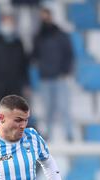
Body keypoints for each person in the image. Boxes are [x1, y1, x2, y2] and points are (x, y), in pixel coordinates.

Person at [32, 6, 74, 141]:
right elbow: (34, 55)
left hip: (59, 77)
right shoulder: (39, 36)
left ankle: (69, 134)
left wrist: (65, 71)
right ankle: (48, 135)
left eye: (46, 16)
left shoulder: (60, 35)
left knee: (63, 108)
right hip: (45, 78)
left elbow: (69, 54)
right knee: (48, 109)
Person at [0, 12, 29, 112]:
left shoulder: (18, 43)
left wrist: (24, 81)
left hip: (15, 85)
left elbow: (23, 63)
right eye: (5, 22)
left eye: (10, 22)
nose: (8, 25)